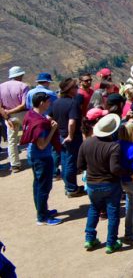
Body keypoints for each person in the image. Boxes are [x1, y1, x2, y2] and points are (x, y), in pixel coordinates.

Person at [77, 113, 125, 253]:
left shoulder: (86, 143)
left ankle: (90, 238)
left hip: (92, 184)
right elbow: (114, 169)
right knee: (113, 213)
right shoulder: (113, 147)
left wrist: (92, 169)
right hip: (110, 184)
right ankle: (111, 243)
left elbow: (80, 165)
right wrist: (127, 173)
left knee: (94, 209)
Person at [20, 92, 62, 225]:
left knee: (38, 185)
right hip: (42, 157)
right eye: (48, 101)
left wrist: (48, 122)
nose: (50, 103)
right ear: (42, 103)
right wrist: (52, 130)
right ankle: (42, 217)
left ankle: (42, 210)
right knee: (44, 187)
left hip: (33, 155)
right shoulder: (40, 123)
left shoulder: (31, 114)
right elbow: (42, 144)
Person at [50, 78, 85, 197]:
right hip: (72, 137)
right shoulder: (72, 103)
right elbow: (72, 122)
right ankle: (71, 188)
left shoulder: (56, 102)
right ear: (69, 90)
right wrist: (70, 135)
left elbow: (49, 117)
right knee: (70, 162)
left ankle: (69, 186)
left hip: (60, 135)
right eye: (75, 87)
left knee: (65, 162)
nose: (77, 89)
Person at [25, 72, 60, 178]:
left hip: (33, 121)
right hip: (47, 122)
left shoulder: (30, 93)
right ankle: (53, 171)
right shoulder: (50, 94)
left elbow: (27, 106)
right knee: (49, 146)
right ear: (47, 82)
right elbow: (56, 107)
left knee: (34, 144)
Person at [0, 67, 29, 173]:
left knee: (11, 140)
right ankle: (33, 158)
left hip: (9, 116)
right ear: (20, 75)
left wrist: (6, 115)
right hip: (22, 114)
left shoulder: (1, 87)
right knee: (31, 135)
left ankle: (15, 165)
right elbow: (24, 104)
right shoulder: (23, 86)